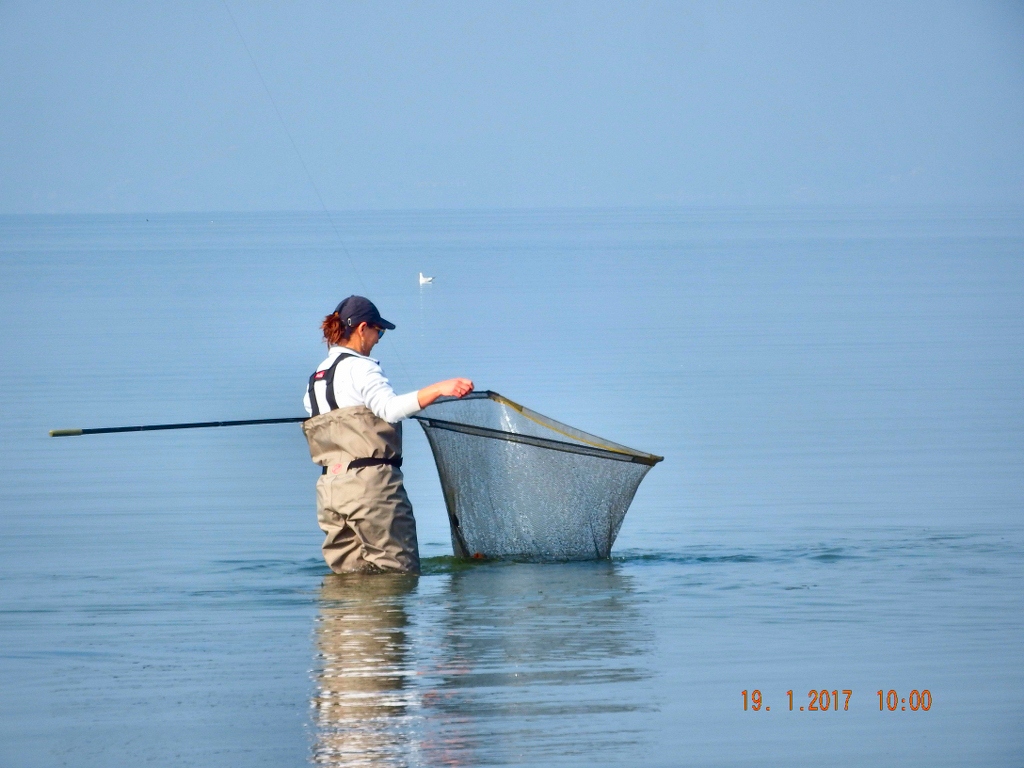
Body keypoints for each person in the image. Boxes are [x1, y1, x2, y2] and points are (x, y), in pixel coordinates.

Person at [302, 295, 473, 574]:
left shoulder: (316, 377)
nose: (378, 339)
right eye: (378, 331)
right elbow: (390, 409)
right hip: (371, 488)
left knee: (349, 578)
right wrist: (440, 388)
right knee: (397, 572)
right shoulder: (362, 367)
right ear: (362, 328)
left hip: (329, 489)